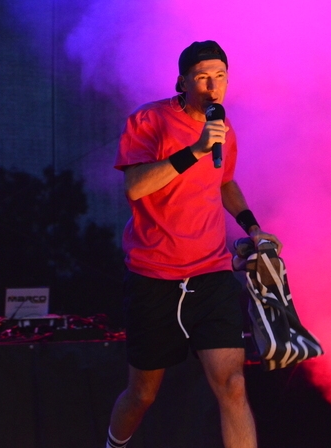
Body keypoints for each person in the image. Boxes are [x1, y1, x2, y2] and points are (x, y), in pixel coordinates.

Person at [106, 40, 282, 448]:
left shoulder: (224, 128)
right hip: (154, 275)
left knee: (233, 384)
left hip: (210, 272)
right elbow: (135, 187)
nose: (213, 86)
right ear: (182, 82)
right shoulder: (149, 119)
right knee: (142, 394)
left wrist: (253, 228)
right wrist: (196, 150)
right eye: (203, 77)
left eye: (220, 76)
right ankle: (114, 445)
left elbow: (225, 182)